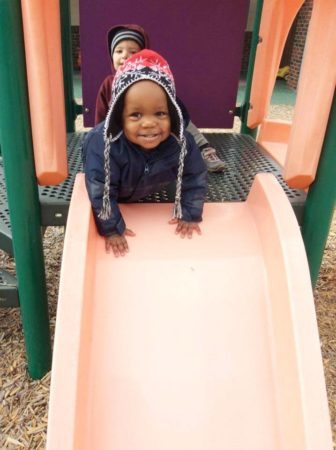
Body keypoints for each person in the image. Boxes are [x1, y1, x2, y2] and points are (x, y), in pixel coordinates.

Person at [84, 49, 208, 257]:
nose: (149, 123)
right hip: (116, 180)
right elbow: (100, 189)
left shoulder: (180, 142)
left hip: (148, 176)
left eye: (160, 113)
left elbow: (195, 176)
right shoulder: (104, 145)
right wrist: (112, 229)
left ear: (172, 112)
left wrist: (189, 213)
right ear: (120, 117)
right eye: (136, 115)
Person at [95, 24, 226, 173]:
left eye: (133, 52)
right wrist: (100, 145)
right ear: (111, 56)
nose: (125, 55)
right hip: (125, 140)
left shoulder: (153, 81)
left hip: (155, 137)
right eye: (119, 51)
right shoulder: (108, 84)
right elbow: (101, 117)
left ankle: (203, 148)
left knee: (176, 110)